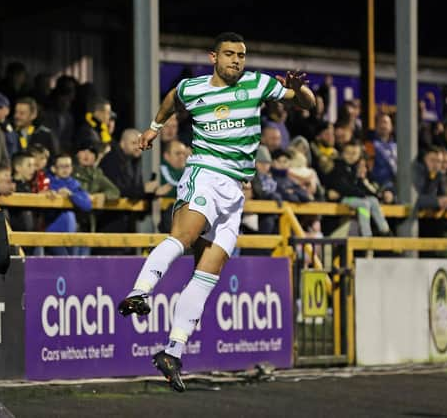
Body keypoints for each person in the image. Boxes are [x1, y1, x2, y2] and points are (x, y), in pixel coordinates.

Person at [117, 32, 314, 392]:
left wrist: (299, 90)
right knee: (185, 236)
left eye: (241, 55)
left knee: (209, 271)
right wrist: (154, 128)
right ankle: (140, 291)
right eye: (229, 54)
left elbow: (310, 105)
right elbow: (173, 99)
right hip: (205, 174)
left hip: (236, 191)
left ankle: (172, 351)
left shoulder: (258, 84)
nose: (236, 60)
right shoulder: (193, 88)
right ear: (214, 57)